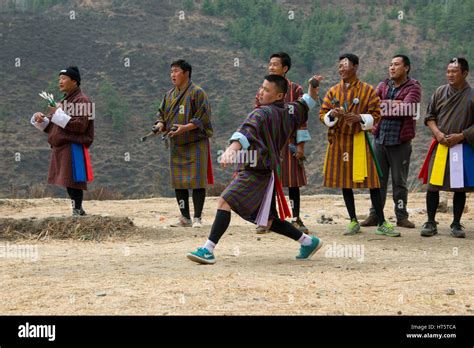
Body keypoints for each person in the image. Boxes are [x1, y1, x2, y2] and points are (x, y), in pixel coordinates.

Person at [187, 74, 322, 264]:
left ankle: (208, 250)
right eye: (261, 87)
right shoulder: (290, 110)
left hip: (255, 172)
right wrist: (313, 88)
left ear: (279, 96)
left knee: (225, 201)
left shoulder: (260, 113)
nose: (261, 92)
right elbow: (308, 103)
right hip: (267, 173)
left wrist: (231, 150)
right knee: (266, 220)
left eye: (267, 90)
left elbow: (246, 131)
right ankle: (308, 241)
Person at [320, 53, 399, 237]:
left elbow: (376, 114)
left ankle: (381, 222)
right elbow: (323, 115)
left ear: (355, 67)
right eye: (339, 66)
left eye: (345, 65)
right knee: (344, 182)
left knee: (372, 181)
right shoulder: (332, 91)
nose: (341, 69)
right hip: (339, 141)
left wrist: (360, 118)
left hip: (358, 140)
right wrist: (332, 114)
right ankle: (353, 220)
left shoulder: (367, 90)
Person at [361, 55, 421, 229]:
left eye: (396, 64)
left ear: (406, 68)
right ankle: (375, 215)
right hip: (380, 139)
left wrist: (384, 106)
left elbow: (407, 109)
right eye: (390, 65)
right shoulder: (383, 85)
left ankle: (401, 216)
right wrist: (394, 105)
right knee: (377, 181)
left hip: (400, 142)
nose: (392, 68)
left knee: (399, 182)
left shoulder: (414, 87)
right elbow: (371, 106)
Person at [254, 52, 311, 234]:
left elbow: (302, 119)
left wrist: (301, 145)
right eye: (270, 64)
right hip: (270, 143)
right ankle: (270, 219)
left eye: (275, 64)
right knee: (269, 180)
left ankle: (296, 218)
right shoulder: (263, 90)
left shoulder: (296, 89)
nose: (271, 67)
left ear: (285, 69)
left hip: (290, 143)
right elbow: (257, 114)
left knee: (293, 182)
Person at [154, 60, 213, 228]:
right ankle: (185, 217)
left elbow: (203, 117)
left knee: (197, 182)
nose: (173, 74)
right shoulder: (169, 95)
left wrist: (185, 128)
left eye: (176, 71)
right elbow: (162, 115)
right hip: (177, 144)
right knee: (178, 182)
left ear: (186, 73)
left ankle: (197, 218)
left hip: (196, 143)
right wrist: (160, 125)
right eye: (171, 71)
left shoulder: (197, 93)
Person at [419, 57, 474, 238]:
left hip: (461, 146)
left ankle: (456, 223)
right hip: (441, 144)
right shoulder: (440, 92)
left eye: (454, 71)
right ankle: (430, 221)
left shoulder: (471, 95)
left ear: (465, 73)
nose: (450, 74)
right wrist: (438, 133)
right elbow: (429, 116)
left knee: (460, 187)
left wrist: (462, 135)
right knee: (433, 186)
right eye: (448, 71)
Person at [31, 66, 94, 216]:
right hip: (62, 146)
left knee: (74, 181)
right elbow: (54, 124)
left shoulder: (83, 100)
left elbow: (80, 125)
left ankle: (77, 209)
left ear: (75, 81)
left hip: (74, 145)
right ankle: (77, 209)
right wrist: (41, 119)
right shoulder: (64, 101)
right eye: (59, 79)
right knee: (68, 181)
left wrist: (57, 113)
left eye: (64, 78)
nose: (60, 82)